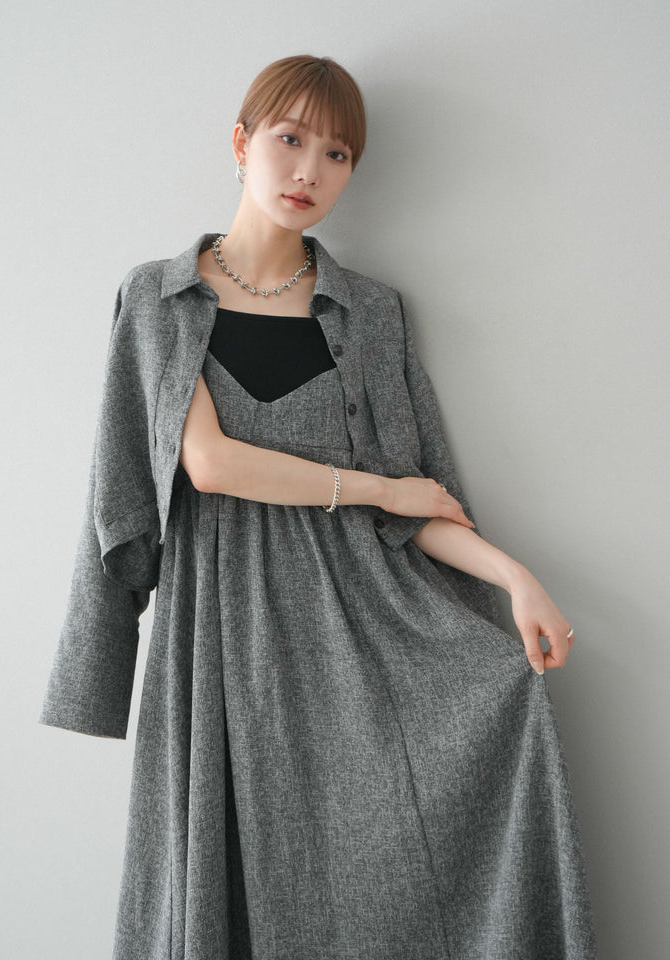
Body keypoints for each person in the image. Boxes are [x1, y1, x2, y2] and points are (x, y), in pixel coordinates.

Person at [39, 55, 598, 959]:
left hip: (360, 638)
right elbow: (209, 465)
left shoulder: (371, 313)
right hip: (222, 637)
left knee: (478, 746)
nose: (309, 171)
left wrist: (514, 577)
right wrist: (375, 487)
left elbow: (422, 504)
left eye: (337, 154)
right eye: (290, 139)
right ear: (240, 142)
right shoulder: (159, 298)